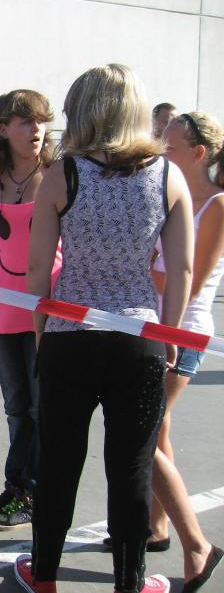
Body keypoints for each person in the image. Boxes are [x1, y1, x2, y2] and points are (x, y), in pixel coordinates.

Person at [19, 63, 193, 593]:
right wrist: (170, 334)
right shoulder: (169, 177)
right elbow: (182, 269)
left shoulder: (62, 174)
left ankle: (44, 576)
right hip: (139, 339)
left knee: (59, 462)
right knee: (131, 467)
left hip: (70, 334)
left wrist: (42, 327)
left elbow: (37, 267)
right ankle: (129, 583)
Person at [0, 89, 61, 530]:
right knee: (16, 406)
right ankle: (17, 488)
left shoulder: (57, 175)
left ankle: (33, 492)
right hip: (2, 308)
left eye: (42, 120)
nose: (37, 129)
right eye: (26, 121)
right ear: (3, 129)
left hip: (47, 306)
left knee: (42, 408)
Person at [143, 111, 223, 590]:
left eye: (169, 148)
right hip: (153, 328)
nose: (161, 155)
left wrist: (142, 267)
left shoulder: (216, 205)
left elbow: (185, 282)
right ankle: (157, 528)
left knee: (140, 433)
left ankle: (198, 544)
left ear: (198, 153)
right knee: (156, 431)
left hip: (182, 335)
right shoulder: (170, 194)